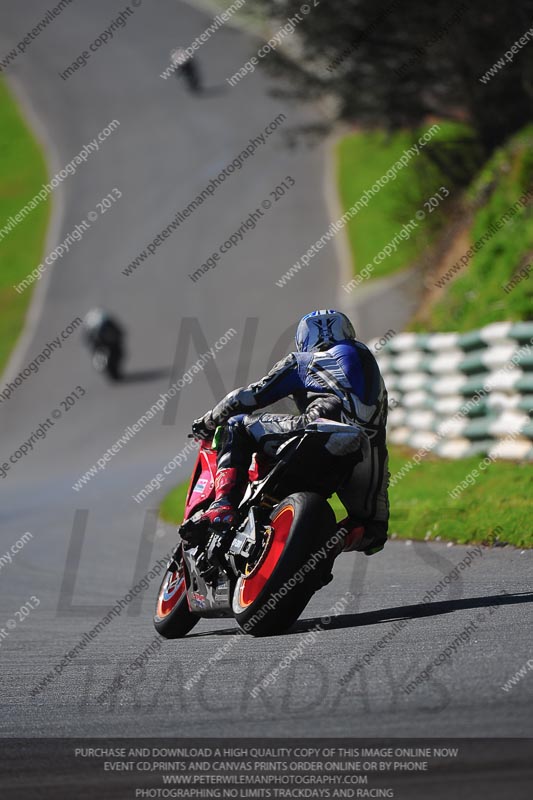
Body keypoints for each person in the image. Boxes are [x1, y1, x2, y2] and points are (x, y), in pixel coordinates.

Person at [191, 310, 390, 556]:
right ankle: (326, 550)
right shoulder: (372, 369)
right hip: (370, 455)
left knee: (237, 425)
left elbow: (245, 398)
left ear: (304, 339)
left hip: (320, 431)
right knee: (374, 531)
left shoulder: (303, 360)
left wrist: (207, 422)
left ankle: (223, 505)